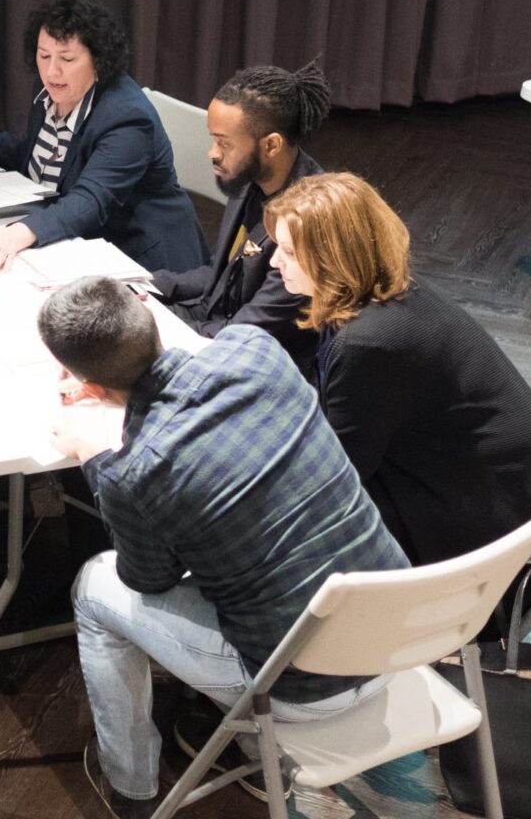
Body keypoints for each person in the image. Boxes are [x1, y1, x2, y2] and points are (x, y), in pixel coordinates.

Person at [40, 276, 408, 817]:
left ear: (86, 385)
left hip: (298, 688)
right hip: (397, 634)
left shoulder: (134, 473)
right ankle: (244, 746)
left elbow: (147, 579)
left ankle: (131, 788)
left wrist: (97, 457)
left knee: (96, 586)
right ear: (146, 308)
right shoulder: (257, 351)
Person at [264, 172, 531, 576]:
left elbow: (338, 476)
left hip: (492, 526)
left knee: (290, 540)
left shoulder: (368, 343)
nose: (276, 261)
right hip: (492, 487)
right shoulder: (385, 294)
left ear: (335, 257)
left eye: (289, 251)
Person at [0, 0, 204, 275]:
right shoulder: (54, 91)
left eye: (67, 58)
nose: (51, 70)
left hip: (144, 261)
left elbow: (90, 200)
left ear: (98, 59)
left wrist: (19, 233)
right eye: (44, 55)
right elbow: (35, 154)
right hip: (76, 242)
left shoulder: (127, 118)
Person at [151, 62, 330, 376]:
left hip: (258, 361)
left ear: (271, 145)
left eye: (225, 143)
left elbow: (253, 330)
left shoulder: (307, 221)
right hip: (217, 321)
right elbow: (221, 275)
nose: (212, 153)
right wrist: (145, 285)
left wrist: (161, 330)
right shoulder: (249, 180)